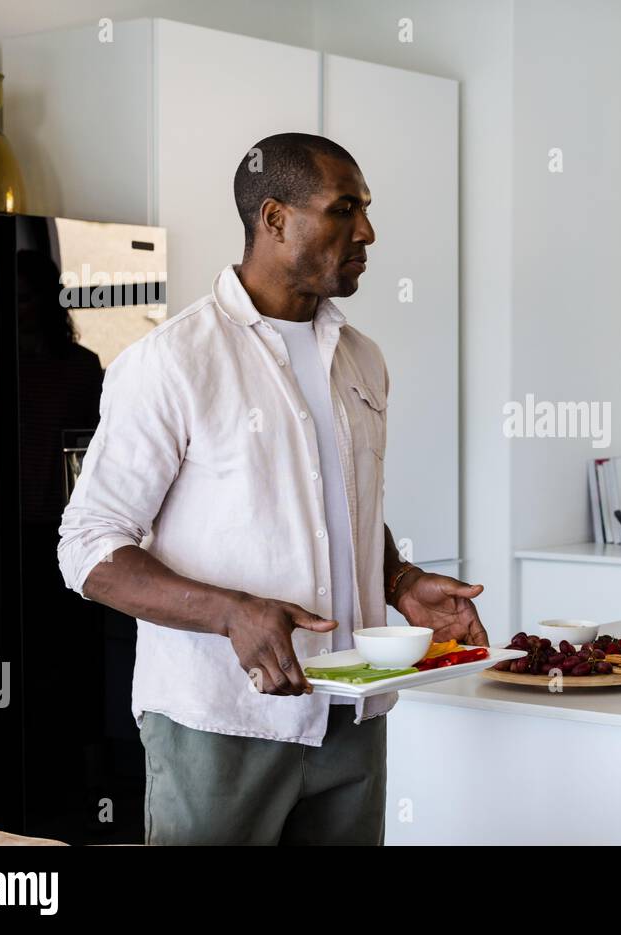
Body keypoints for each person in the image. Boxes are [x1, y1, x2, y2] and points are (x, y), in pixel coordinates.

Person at [57, 132, 486, 845]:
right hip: (221, 724)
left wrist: (399, 577)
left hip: (351, 711)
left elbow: (342, 506)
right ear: (275, 218)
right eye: (344, 208)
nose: (368, 231)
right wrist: (232, 613)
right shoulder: (172, 361)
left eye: (367, 210)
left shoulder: (362, 359)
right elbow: (88, 546)